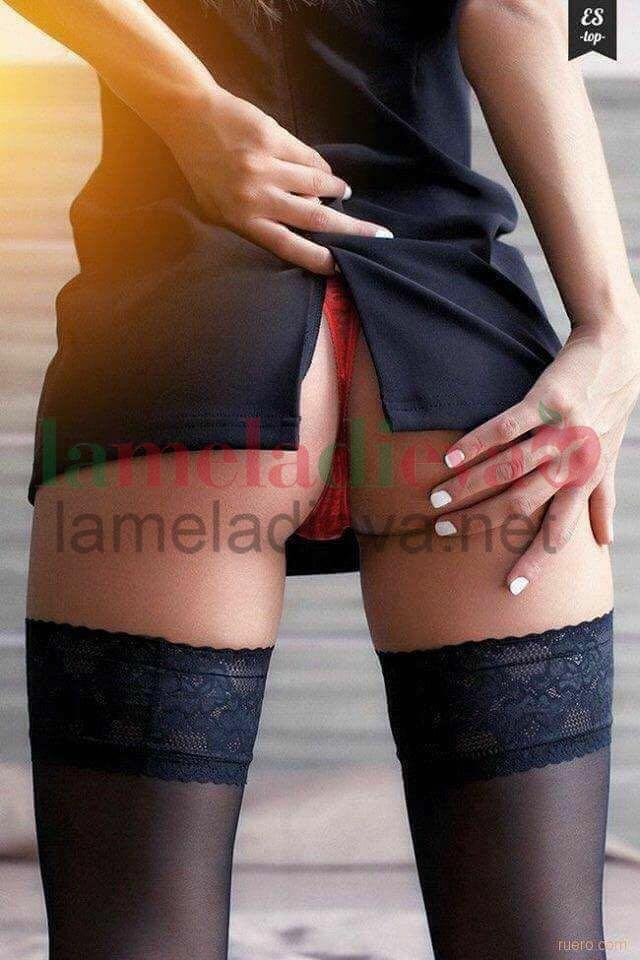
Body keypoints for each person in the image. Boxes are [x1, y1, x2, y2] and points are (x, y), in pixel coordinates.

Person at [8, 0, 639, 956]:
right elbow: (534, 13)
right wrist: (611, 322)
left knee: (133, 936)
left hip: (182, 336)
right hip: (463, 359)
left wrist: (187, 109)